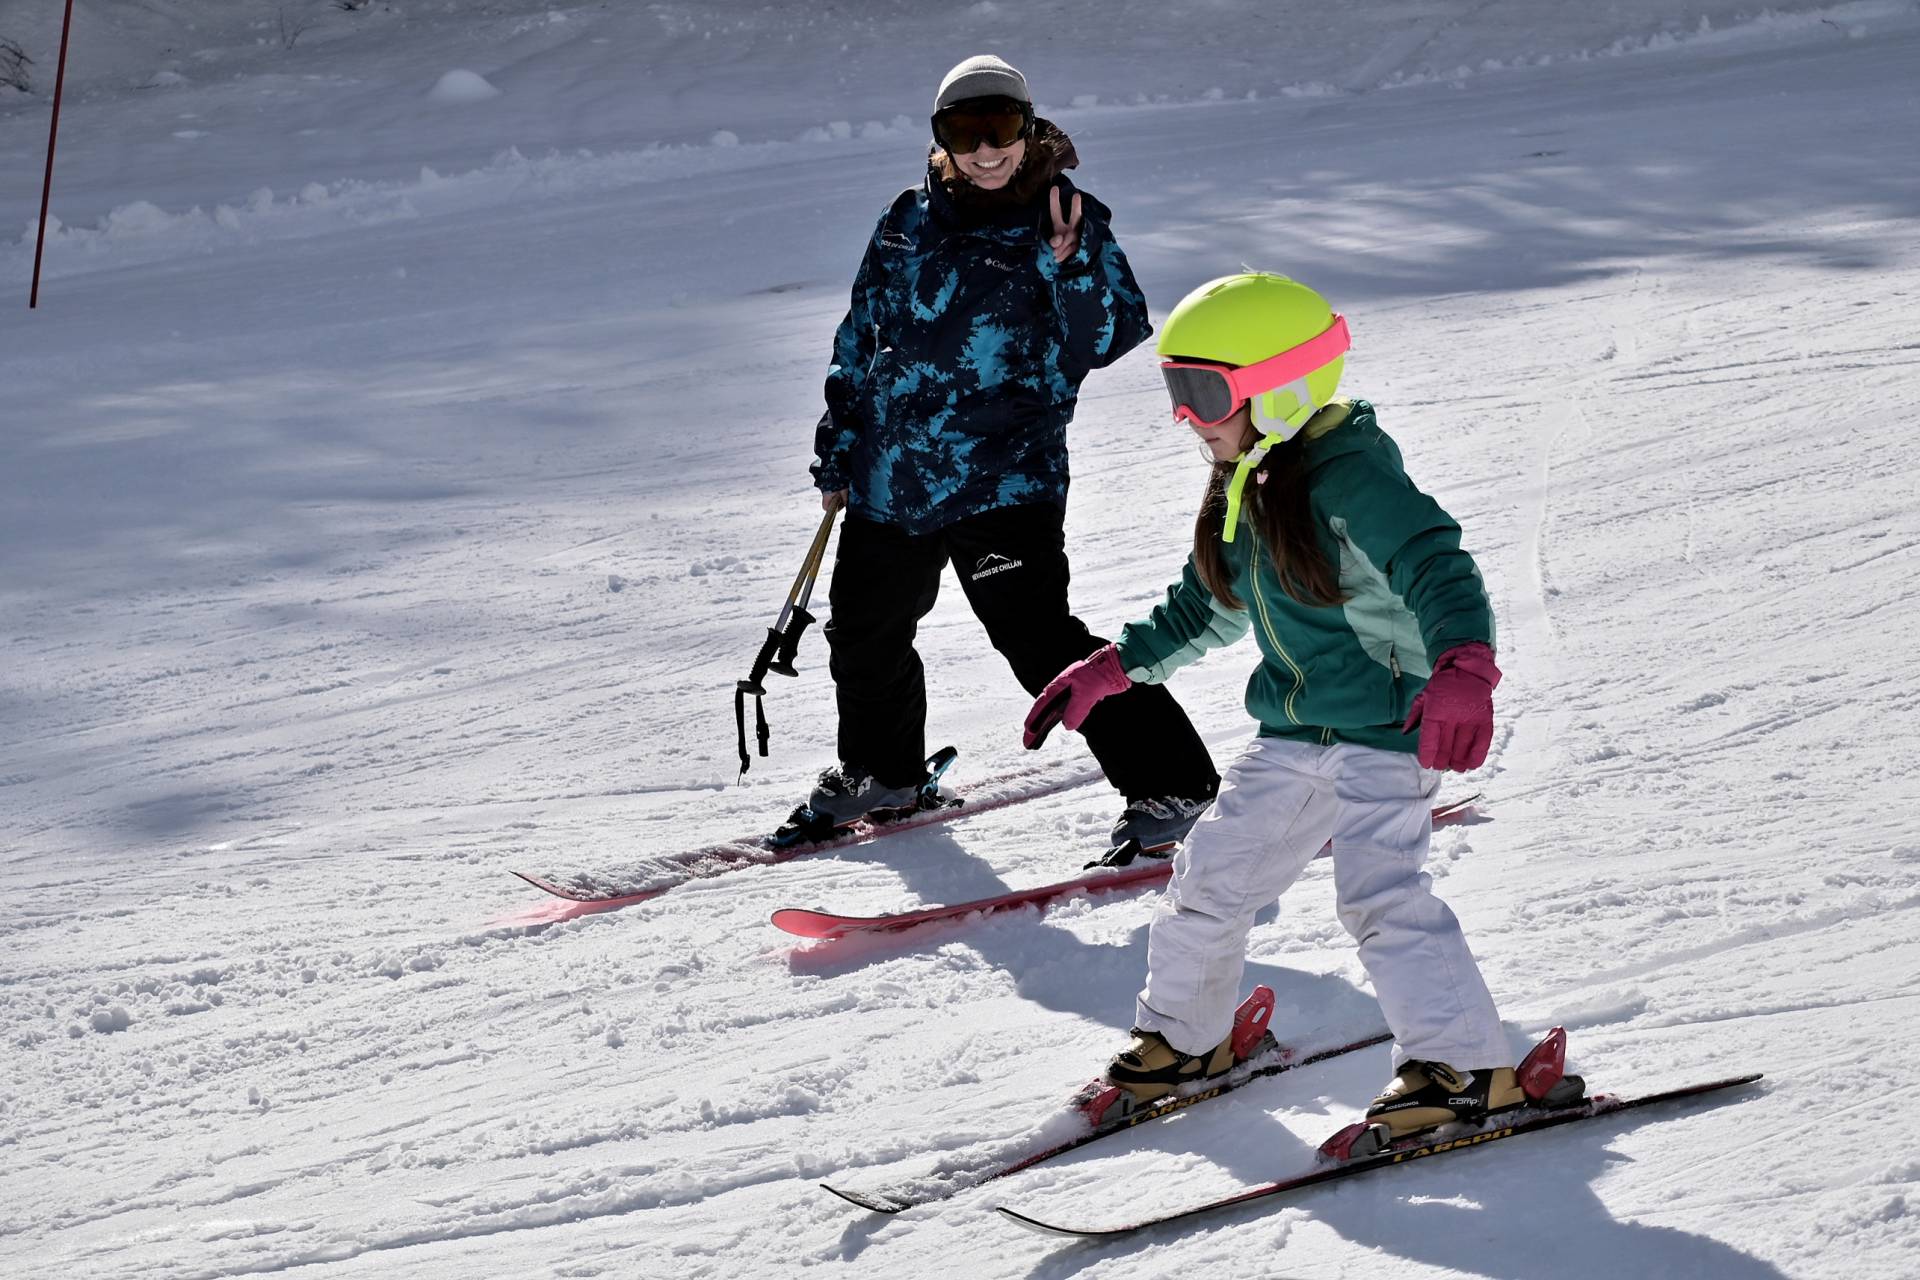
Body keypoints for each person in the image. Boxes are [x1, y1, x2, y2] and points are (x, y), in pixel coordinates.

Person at [1023, 271, 1521, 1142]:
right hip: (1295, 730)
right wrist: (1114, 667)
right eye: (1177, 389)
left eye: (1204, 391)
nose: (1187, 415)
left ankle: (1469, 1069)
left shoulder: (1350, 475)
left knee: (1380, 895)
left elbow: (1437, 564)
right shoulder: (1248, 474)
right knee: (1210, 880)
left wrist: (1463, 666)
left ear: (1281, 390)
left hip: (1387, 727)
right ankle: (1188, 1041)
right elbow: (1208, 602)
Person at [800, 54, 1219, 851]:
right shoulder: (905, 221)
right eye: (968, 132)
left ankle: (1175, 785)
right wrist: (839, 450)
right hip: (894, 478)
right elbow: (859, 340)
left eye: (1003, 130)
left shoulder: (1066, 217)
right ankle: (882, 771)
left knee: (1041, 643)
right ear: (942, 138)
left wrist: (1073, 263)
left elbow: (1109, 337)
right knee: (864, 631)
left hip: (1005, 476)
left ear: (1027, 131)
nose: (987, 150)